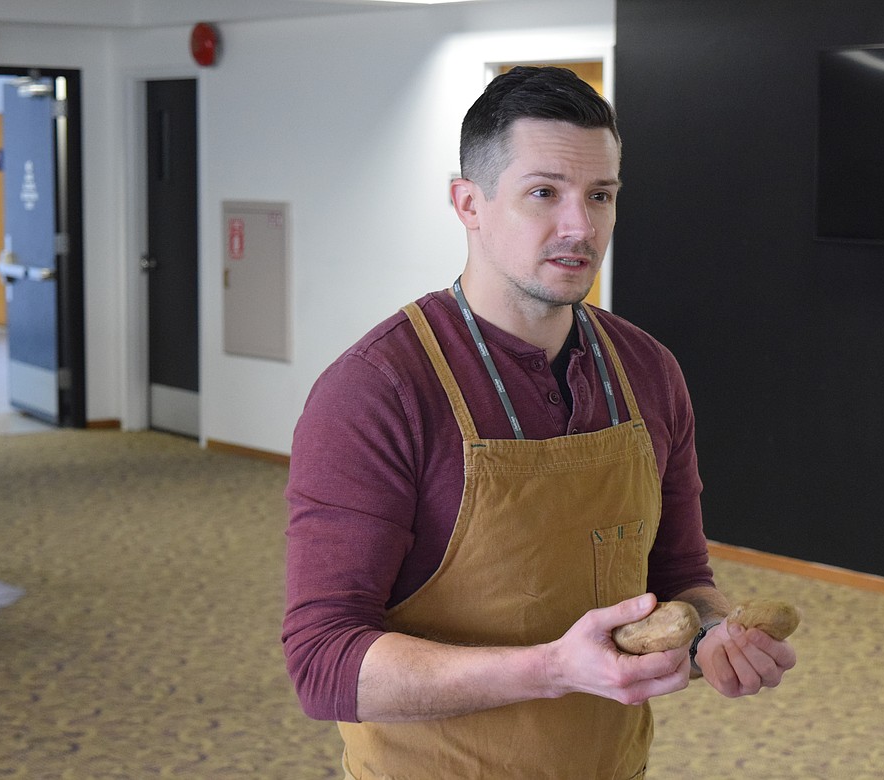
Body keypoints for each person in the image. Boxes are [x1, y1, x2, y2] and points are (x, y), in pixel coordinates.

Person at [283, 65, 797, 779]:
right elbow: (323, 662)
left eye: (601, 195)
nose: (579, 227)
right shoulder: (375, 391)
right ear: (469, 203)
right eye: (543, 193)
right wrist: (552, 669)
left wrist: (713, 634)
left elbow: (681, 574)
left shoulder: (649, 370)